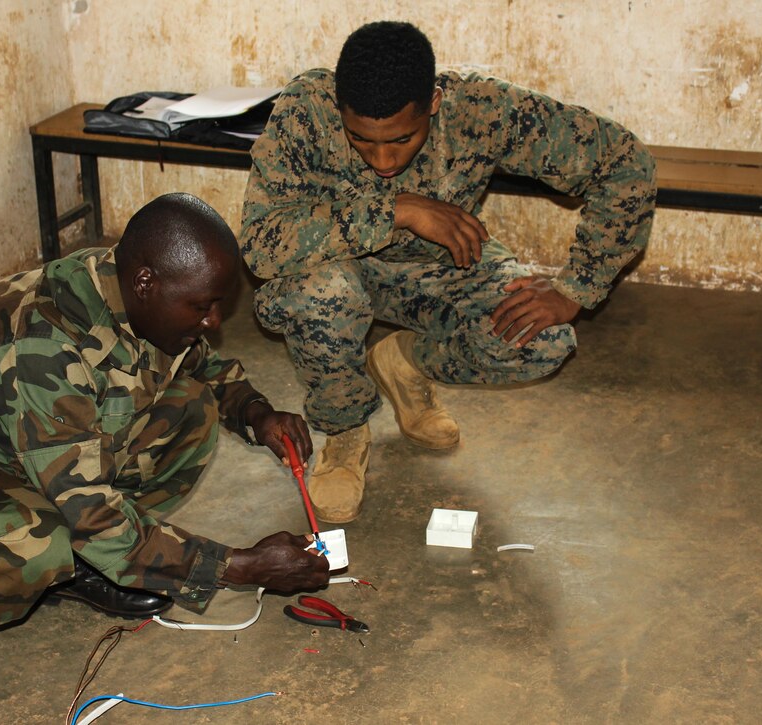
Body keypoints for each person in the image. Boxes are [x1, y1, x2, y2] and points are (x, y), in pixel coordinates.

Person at [0, 193, 330, 713]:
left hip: (32, 458)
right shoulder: (43, 342)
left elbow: (199, 363)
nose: (214, 321)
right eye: (203, 307)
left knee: (191, 410)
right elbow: (90, 513)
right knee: (36, 545)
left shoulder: (130, 291)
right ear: (146, 283)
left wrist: (256, 412)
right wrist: (239, 567)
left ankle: (83, 559)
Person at [241, 21, 657, 524]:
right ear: (339, 109)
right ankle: (345, 428)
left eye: (402, 138)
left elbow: (625, 162)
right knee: (318, 293)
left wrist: (577, 287)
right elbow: (262, 245)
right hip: (334, 272)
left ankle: (404, 363)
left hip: (440, 269)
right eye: (361, 139)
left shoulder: (480, 109)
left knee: (542, 342)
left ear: (433, 104)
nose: (383, 159)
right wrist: (398, 209)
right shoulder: (306, 108)